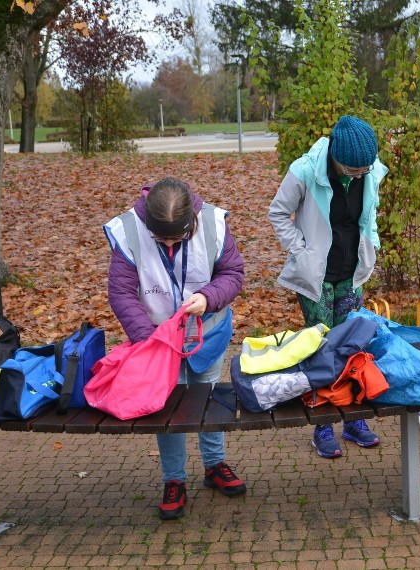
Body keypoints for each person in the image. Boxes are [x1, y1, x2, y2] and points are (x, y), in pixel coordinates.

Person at [104, 177, 246, 520]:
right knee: (167, 411)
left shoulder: (212, 224)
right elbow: (121, 292)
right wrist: (149, 340)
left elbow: (233, 273)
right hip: (156, 342)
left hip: (207, 335)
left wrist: (209, 297)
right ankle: (174, 479)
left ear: (191, 223)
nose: (168, 243)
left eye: (177, 237)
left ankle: (214, 465)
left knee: (208, 402)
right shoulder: (129, 230)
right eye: (160, 238)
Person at [268, 115, 388, 459]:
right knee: (322, 349)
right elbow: (278, 213)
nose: (360, 174)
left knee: (351, 347)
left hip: (351, 274)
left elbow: (370, 213)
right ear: (336, 156)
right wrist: (300, 250)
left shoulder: (369, 170)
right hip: (316, 277)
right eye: (353, 169)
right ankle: (322, 425)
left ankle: (353, 421)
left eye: (364, 169)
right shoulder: (305, 171)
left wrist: (373, 243)